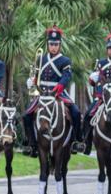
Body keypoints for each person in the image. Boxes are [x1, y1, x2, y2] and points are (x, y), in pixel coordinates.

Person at [23, 26, 83, 156]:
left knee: (76, 112)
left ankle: (76, 141)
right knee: (26, 115)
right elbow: (36, 76)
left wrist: (59, 87)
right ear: (47, 44)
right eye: (51, 44)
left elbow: (67, 76)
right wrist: (31, 81)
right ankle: (31, 144)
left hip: (58, 93)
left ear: (60, 45)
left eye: (56, 44)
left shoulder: (65, 60)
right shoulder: (41, 59)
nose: (53, 47)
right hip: (42, 93)